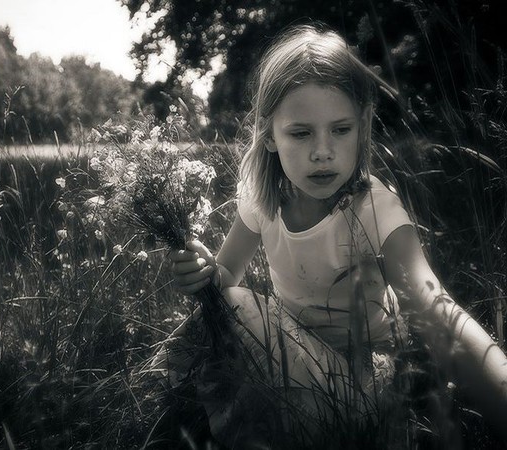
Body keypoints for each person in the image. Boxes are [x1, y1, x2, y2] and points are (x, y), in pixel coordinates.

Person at [158, 24, 507, 448]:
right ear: (269, 135)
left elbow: (436, 309)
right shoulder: (263, 201)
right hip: (294, 368)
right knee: (228, 309)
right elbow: (225, 276)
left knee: (238, 309)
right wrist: (200, 270)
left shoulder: (374, 209)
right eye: (301, 133)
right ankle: (176, 415)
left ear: (362, 126)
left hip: (369, 388)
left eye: (340, 130)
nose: (322, 151)